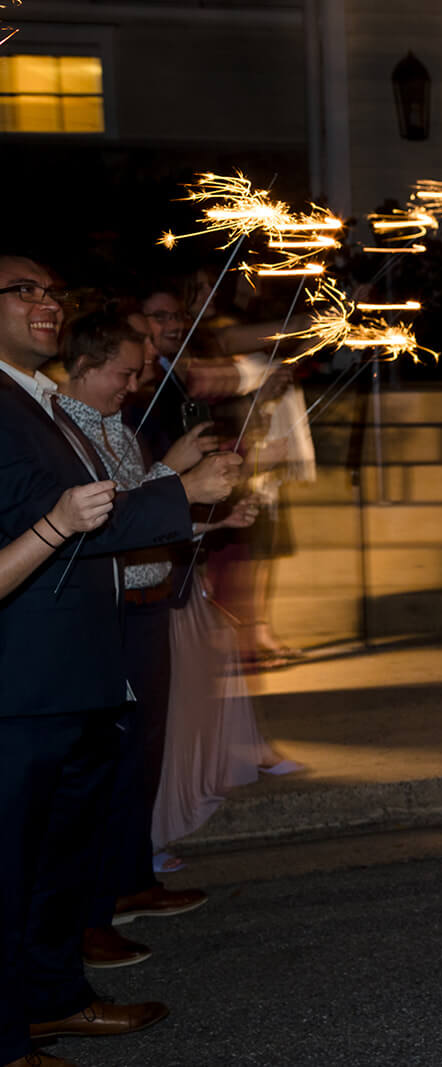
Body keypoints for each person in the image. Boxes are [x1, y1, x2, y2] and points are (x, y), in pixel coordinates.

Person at [0, 255, 241, 1066]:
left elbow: (93, 518)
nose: (45, 303)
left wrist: (187, 500)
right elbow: (54, 523)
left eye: (50, 291)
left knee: (53, 858)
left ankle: (54, 998)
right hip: (25, 677)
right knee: (15, 868)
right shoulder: (4, 406)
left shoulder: (38, 404)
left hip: (74, 667)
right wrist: (182, 489)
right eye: (23, 290)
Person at [54, 311, 257, 967]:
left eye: (139, 372)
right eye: (125, 371)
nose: (135, 383)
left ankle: (128, 883)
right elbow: (105, 525)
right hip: (105, 616)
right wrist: (176, 478)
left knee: (139, 756)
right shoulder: (61, 430)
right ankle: (88, 912)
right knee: (99, 767)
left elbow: (141, 518)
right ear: (84, 365)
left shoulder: (118, 428)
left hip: (146, 606)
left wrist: (209, 517)